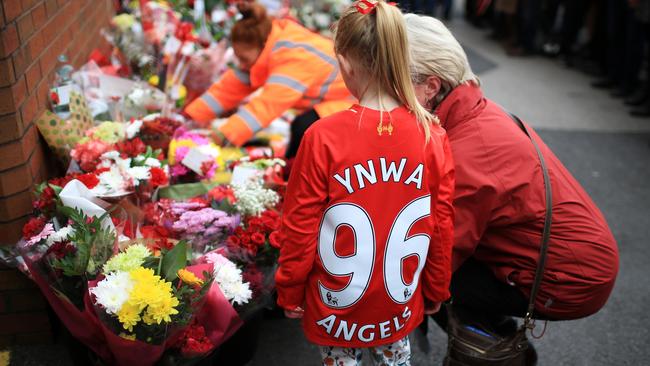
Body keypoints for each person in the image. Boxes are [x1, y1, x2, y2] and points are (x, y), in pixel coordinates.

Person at [405, 13, 619, 361]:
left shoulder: (471, 150)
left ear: (431, 86)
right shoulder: (472, 111)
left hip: (571, 279)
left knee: (430, 281)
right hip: (571, 262)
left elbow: (436, 255)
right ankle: (498, 339)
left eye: (391, 81)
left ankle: (498, 354)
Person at [275, 1, 454, 365]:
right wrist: (437, 285)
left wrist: (289, 289)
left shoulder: (322, 135)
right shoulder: (432, 134)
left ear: (344, 63)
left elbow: (300, 225)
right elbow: (441, 221)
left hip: (336, 304)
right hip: (397, 301)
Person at [184, 2, 353, 157]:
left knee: (304, 130)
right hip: (334, 102)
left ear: (262, 46)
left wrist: (221, 137)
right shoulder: (271, 46)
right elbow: (229, 86)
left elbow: (267, 106)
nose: (242, 65)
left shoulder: (293, 56)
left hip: (351, 103)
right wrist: (188, 117)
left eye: (244, 59)